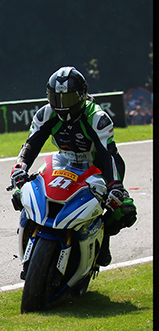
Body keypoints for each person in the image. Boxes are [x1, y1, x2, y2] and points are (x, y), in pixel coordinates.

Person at [10, 66, 137, 268]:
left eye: (67, 99)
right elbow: (31, 145)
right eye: (56, 98)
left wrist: (114, 185)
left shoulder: (97, 117)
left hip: (96, 166)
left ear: (82, 95)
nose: (61, 105)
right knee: (22, 192)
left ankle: (102, 243)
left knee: (125, 209)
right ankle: (31, 238)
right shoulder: (46, 114)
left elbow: (108, 155)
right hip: (63, 160)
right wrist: (20, 168)